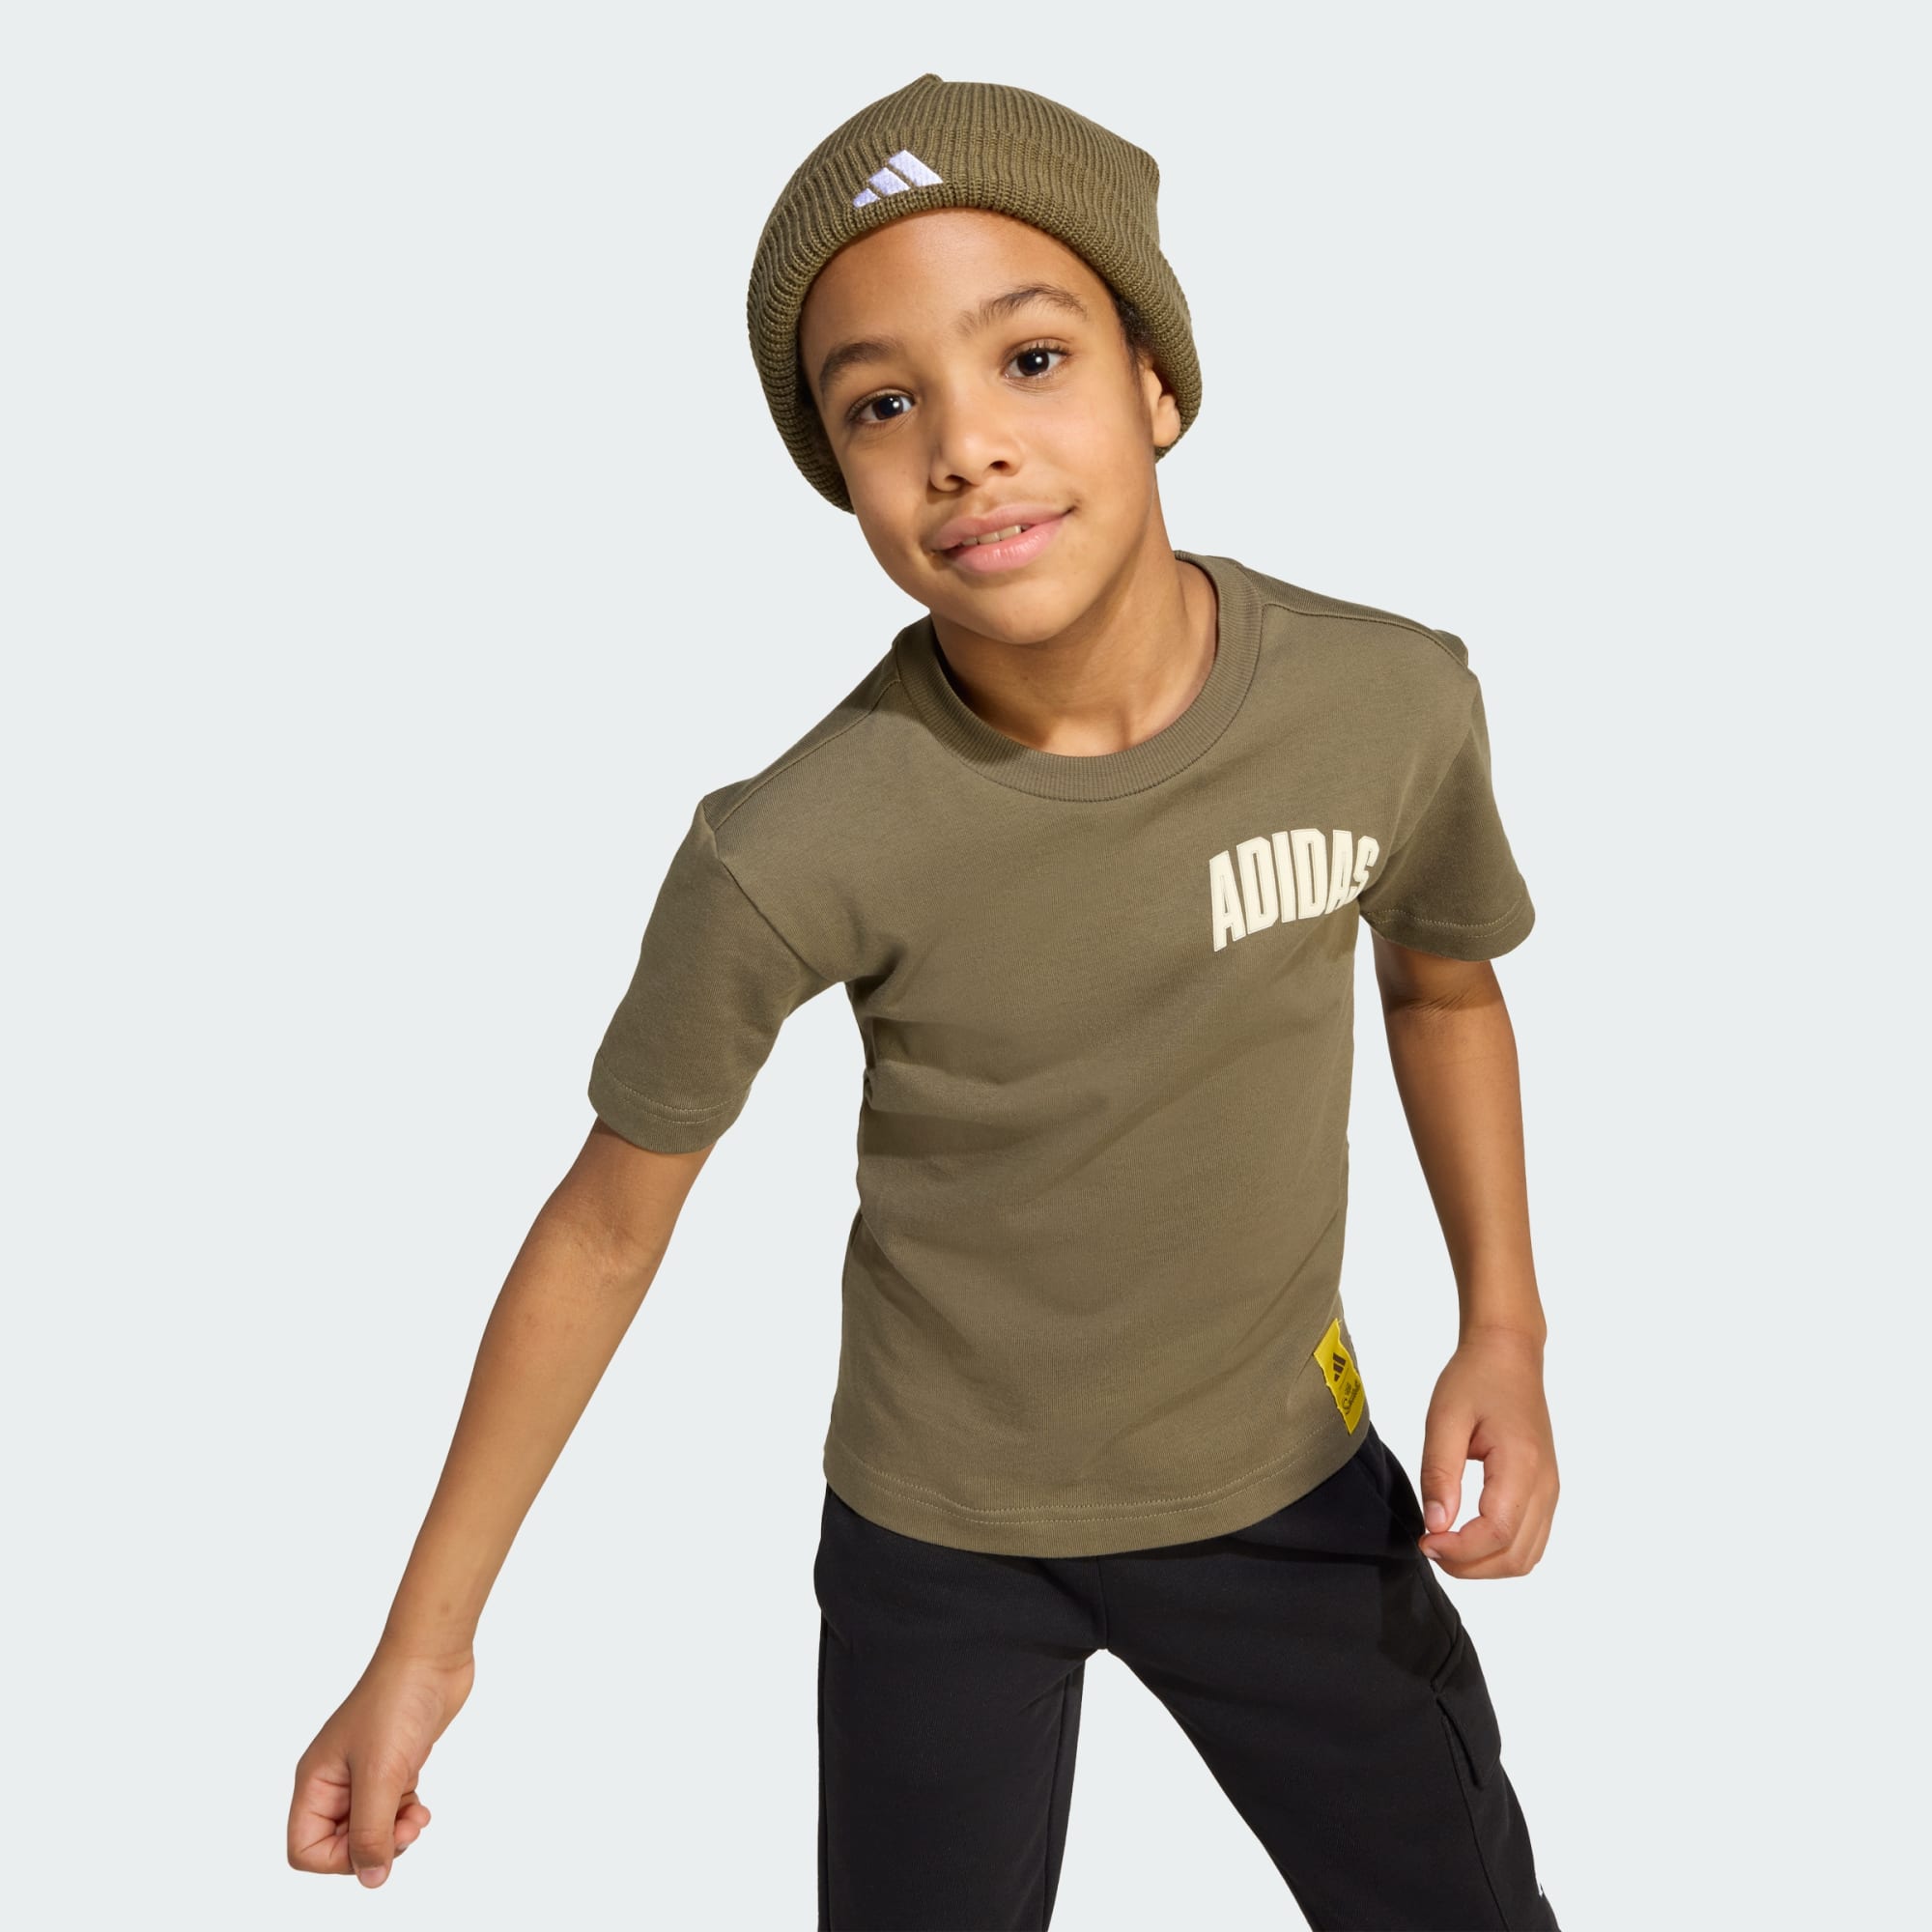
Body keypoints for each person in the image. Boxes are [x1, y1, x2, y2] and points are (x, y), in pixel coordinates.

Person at [287, 71, 1562, 1932]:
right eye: (883, 405)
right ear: (839, 471)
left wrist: (1504, 1327)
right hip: (936, 1545)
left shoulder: (1388, 705)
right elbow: (607, 1229)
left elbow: (1443, 994)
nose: (966, 446)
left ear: (1158, 384)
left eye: (1031, 360)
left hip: (1283, 1486)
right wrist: (426, 1643)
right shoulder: (795, 842)